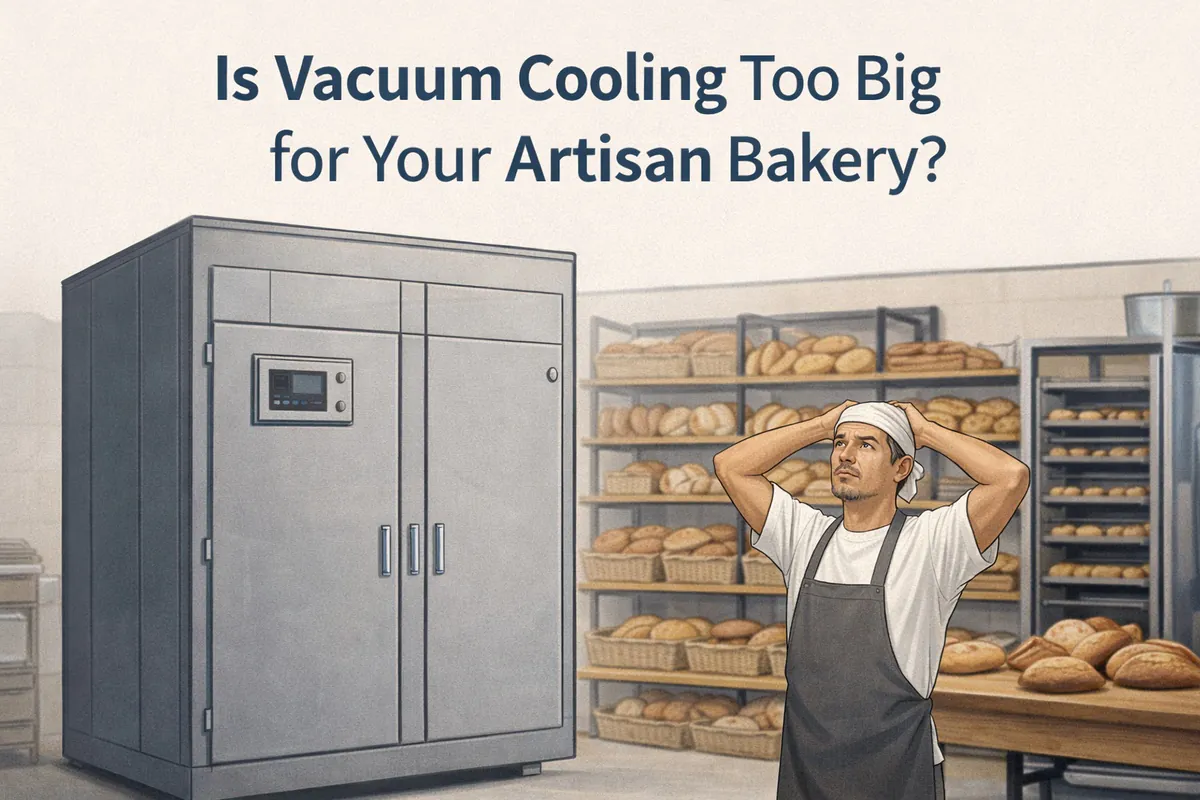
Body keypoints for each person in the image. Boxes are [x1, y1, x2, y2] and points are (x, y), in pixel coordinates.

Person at [712, 399, 1029, 800]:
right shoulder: (804, 535)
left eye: (866, 445)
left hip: (896, 767)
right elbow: (730, 465)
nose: (844, 454)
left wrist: (925, 431)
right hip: (806, 764)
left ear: (901, 468)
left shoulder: (932, 542)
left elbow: (1010, 477)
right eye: (839, 443)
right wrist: (819, 425)